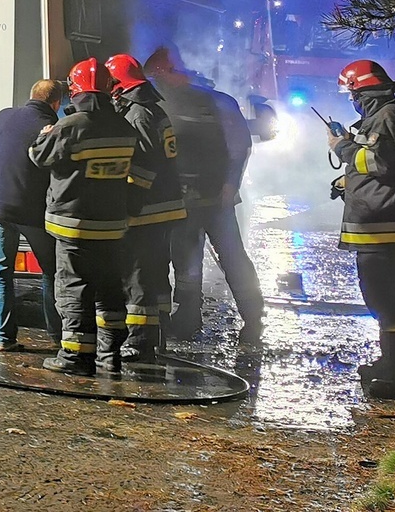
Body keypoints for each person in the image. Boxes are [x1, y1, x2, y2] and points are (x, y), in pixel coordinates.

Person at [148, 46, 263, 344]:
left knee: (233, 259)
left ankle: (253, 319)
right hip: (183, 200)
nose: (157, 82)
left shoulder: (217, 102)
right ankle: (187, 319)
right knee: (186, 262)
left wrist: (231, 184)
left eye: (159, 75)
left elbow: (240, 146)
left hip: (216, 200)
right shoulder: (160, 103)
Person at [330, 59, 395, 402]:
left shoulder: (388, 117)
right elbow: (378, 161)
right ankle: (393, 363)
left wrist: (341, 148)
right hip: (383, 224)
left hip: (386, 226)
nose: (352, 102)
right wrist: (348, 180)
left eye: (352, 95)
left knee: (386, 299)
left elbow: (379, 162)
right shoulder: (385, 117)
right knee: (384, 298)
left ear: (362, 92)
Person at [30, 59, 137, 376]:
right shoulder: (124, 126)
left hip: (74, 226)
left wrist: (45, 134)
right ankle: (110, 356)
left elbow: (38, 156)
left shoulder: (71, 126)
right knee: (109, 291)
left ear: (75, 90)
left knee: (74, 291)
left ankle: (76, 357)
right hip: (112, 227)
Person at [107, 53, 186, 366]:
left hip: (147, 208)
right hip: (165, 206)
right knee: (156, 274)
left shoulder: (137, 114)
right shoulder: (152, 108)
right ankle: (159, 330)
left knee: (138, 275)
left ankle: (139, 342)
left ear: (120, 84)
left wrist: (129, 206)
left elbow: (142, 166)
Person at [0, 79, 66, 352]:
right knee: (52, 271)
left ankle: (3, 338)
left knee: (1, 271)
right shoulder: (54, 126)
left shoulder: (6, 115)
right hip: (33, 212)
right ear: (55, 103)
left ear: (32, 95)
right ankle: (58, 336)